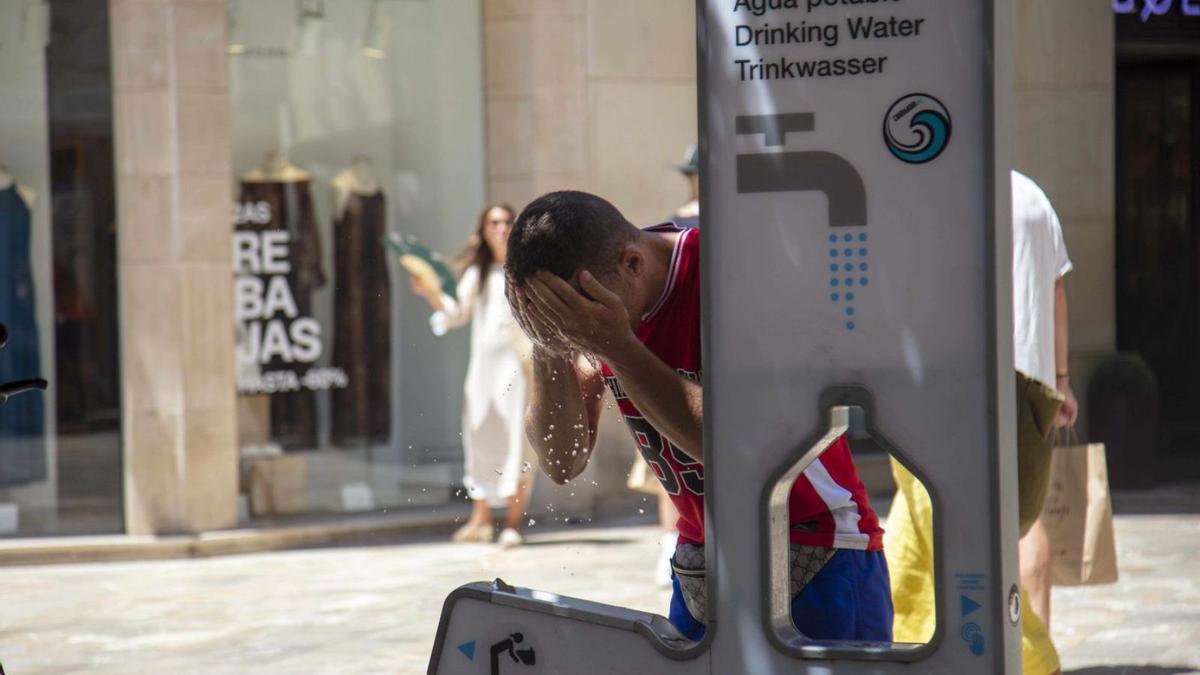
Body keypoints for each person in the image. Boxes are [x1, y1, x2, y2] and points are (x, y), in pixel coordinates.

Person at [504, 190, 892, 642]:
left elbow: (738, 451)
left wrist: (615, 345)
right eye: (556, 313)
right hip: (701, 558)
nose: (575, 326)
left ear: (633, 264)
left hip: (818, 548)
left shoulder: (728, 275)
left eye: (573, 313)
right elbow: (561, 460)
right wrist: (547, 341)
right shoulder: (593, 297)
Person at [885, 171, 1074, 675]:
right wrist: (1062, 378)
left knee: (977, 532)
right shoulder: (1033, 195)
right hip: (1027, 389)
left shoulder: (939, 192)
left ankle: (1027, 656)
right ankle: (918, 645)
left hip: (950, 391)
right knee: (950, 528)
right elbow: (1056, 291)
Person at [410, 203, 534, 548]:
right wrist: (430, 292)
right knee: (479, 435)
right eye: (494, 222)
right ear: (483, 230)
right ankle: (480, 518)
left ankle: (513, 522)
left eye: (507, 222)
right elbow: (455, 312)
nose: (501, 228)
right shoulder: (478, 274)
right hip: (483, 369)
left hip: (518, 369)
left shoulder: (527, 271)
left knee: (515, 441)